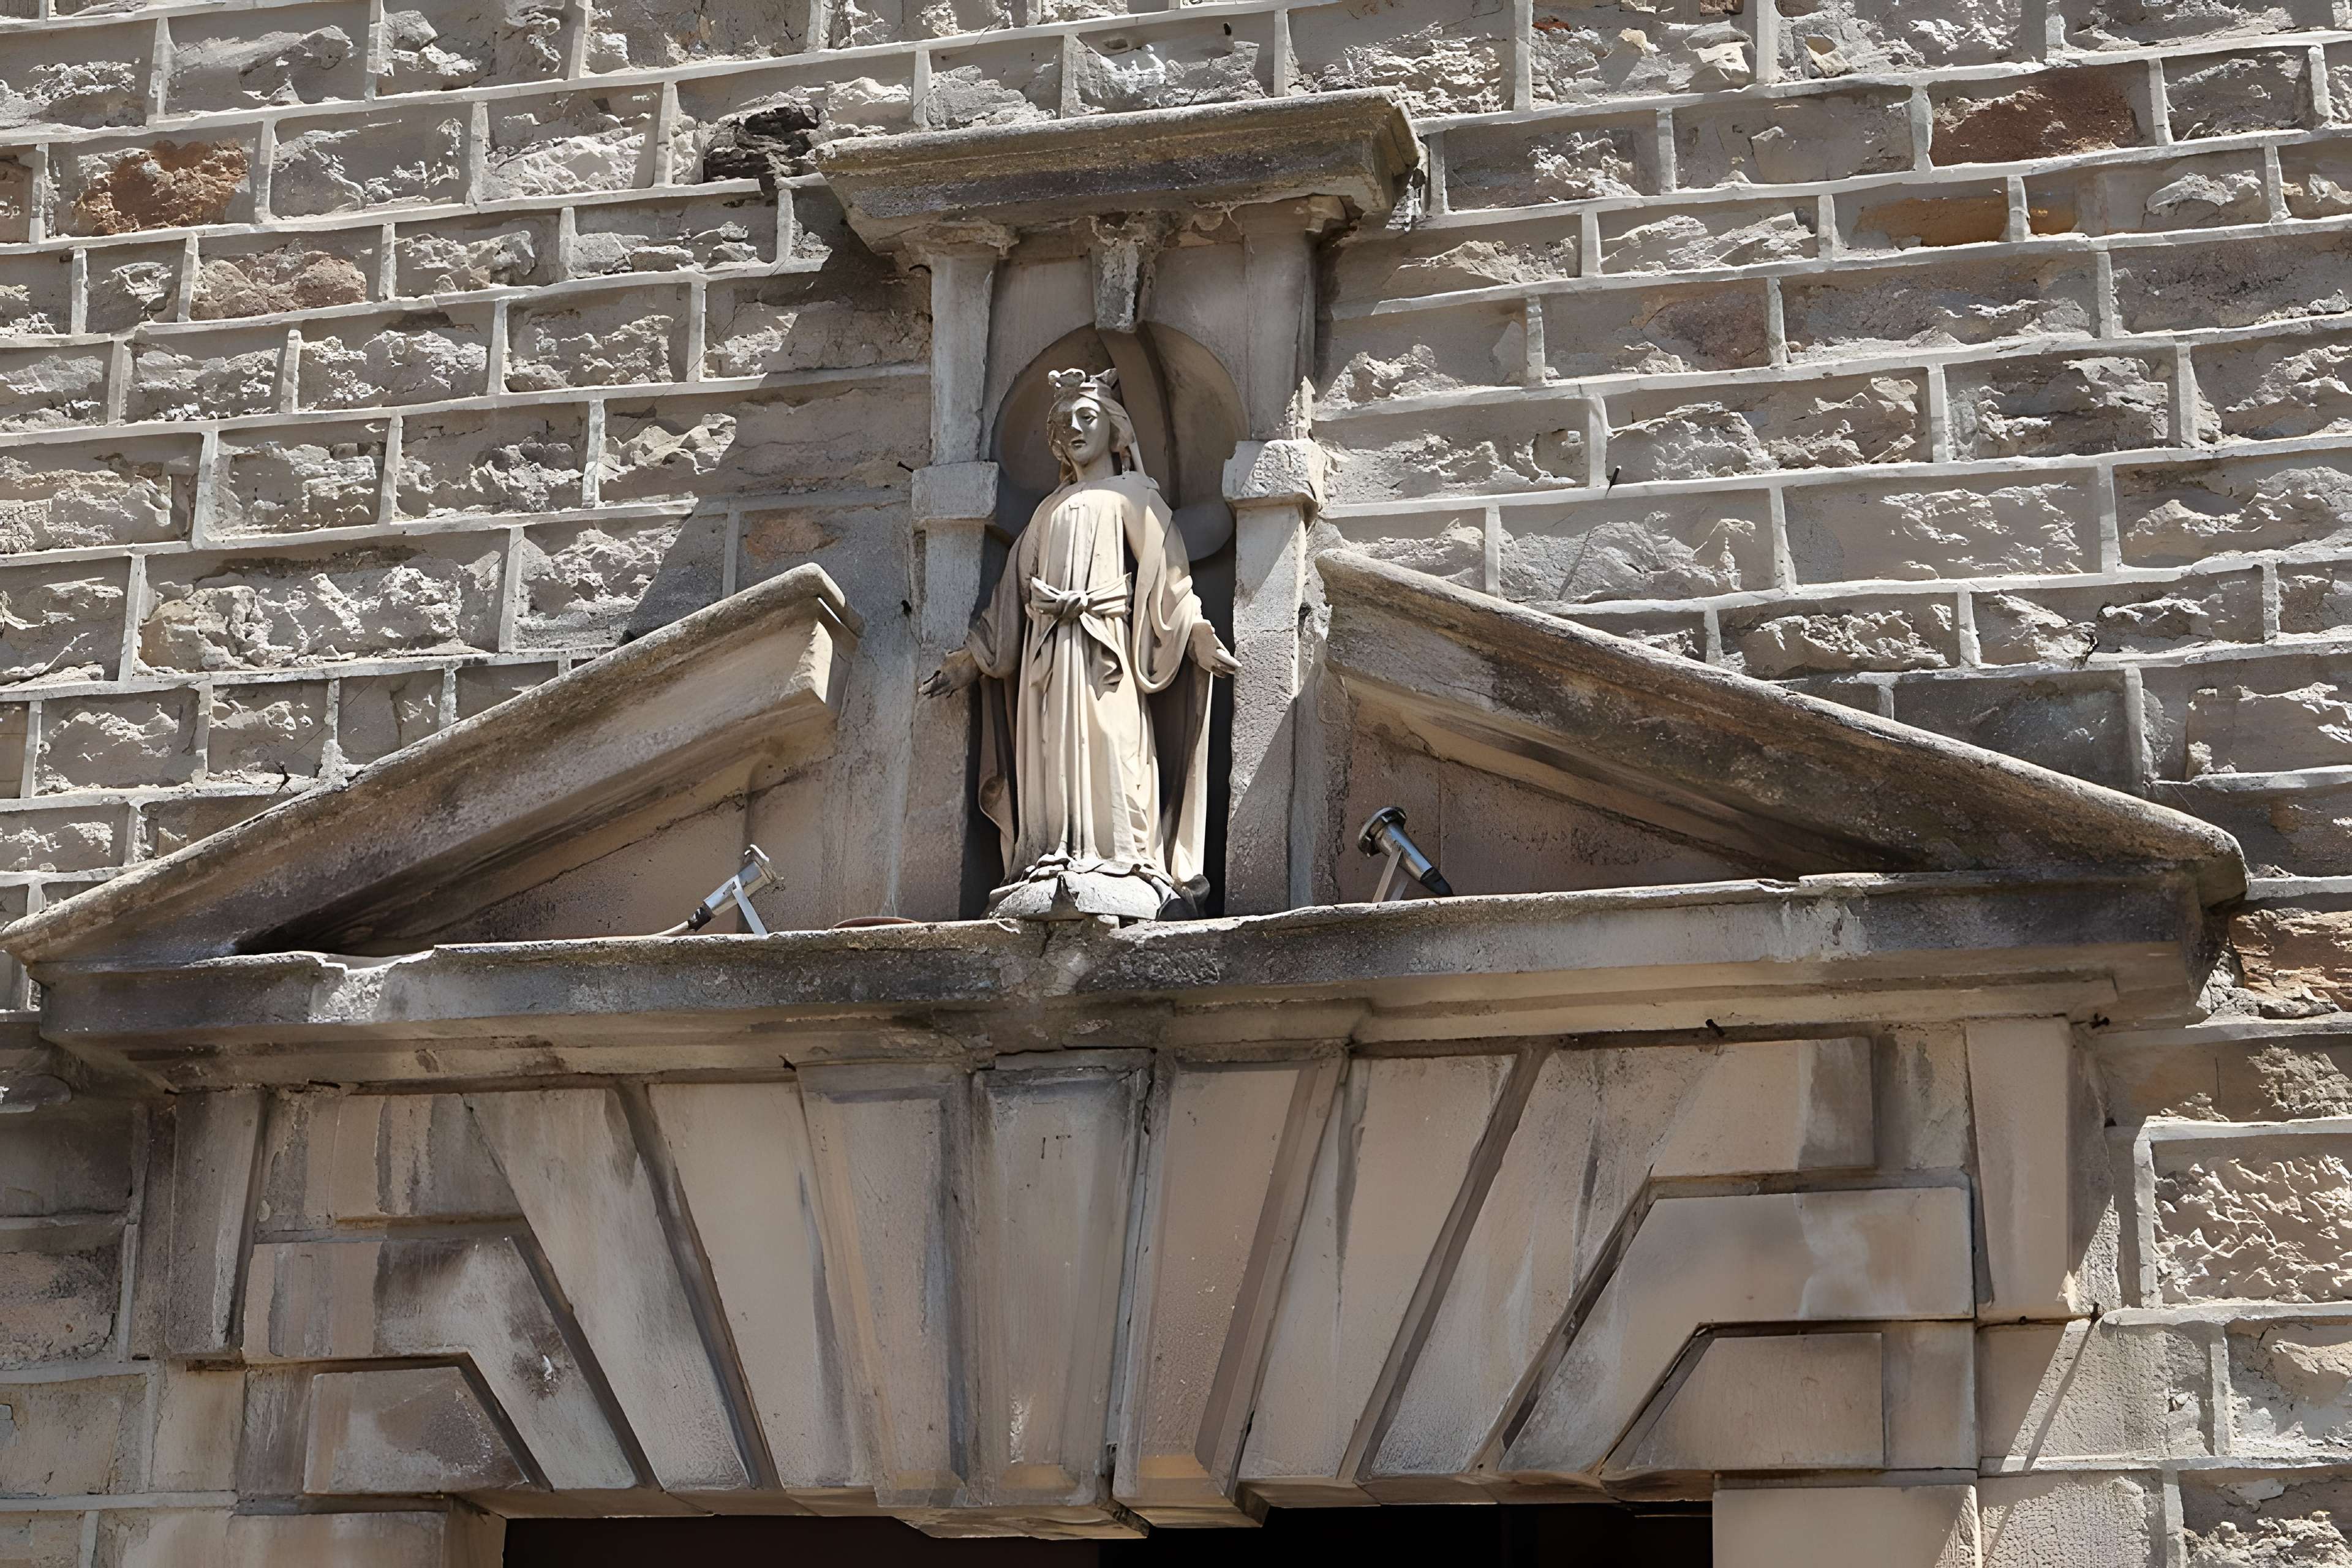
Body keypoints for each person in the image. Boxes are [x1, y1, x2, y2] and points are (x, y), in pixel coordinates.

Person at [922, 368, 1237, 918]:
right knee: (1051, 755)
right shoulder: (1048, 510)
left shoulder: (1133, 494)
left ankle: (1126, 861)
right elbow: (1009, 597)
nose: (1073, 430)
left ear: (1116, 431)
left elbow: (1171, 578)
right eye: (1062, 423)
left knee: (1114, 742)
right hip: (1047, 658)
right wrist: (972, 660)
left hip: (1106, 651)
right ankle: (1050, 859)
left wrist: (1195, 633)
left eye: (1086, 418)